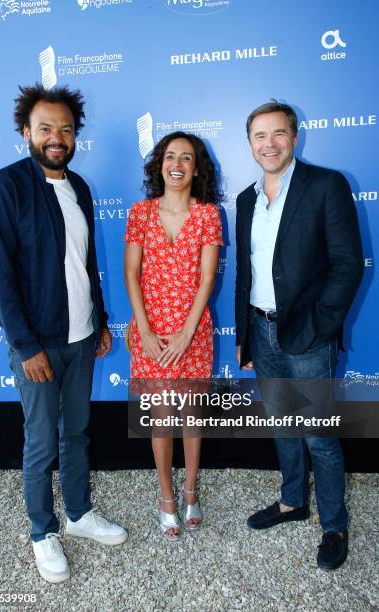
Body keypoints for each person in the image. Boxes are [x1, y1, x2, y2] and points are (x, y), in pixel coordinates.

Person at [0, 84, 127, 583]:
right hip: (38, 346)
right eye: (45, 128)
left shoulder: (79, 187)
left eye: (65, 129)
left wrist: (101, 321)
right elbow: (1, 278)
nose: (56, 137)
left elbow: (85, 264)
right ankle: (42, 532)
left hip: (82, 340)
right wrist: (25, 346)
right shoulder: (5, 187)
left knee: (78, 433)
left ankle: (79, 515)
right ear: (26, 132)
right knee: (41, 442)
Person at [235, 101, 363, 570]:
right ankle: (293, 502)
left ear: (294, 136)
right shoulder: (246, 199)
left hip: (308, 335)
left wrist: (320, 327)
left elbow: (348, 265)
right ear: (249, 143)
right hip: (261, 331)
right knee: (283, 425)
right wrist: (245, 337)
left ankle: (334, 523)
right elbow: (245, 274)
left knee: (319, 436)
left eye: (278, 133)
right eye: (259, 136)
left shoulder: (326, 185)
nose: (269, 144)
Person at [124, 131, 223, 541]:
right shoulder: (140, 213)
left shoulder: (208, 215)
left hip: (192, 334)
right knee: (162, 419)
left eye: (186, 157)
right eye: (169, 156)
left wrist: (186, 333)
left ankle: (190, 492)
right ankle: (166, 498)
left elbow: (206, 280)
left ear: (196, 168)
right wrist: (144, 330)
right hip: (150, 335)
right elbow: (131, 274)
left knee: (192, 419)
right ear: (160, 165)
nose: (177, 163)